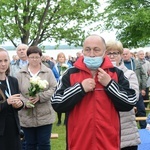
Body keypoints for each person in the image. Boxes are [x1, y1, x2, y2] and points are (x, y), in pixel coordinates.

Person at [51, 35, 137, 150]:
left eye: (96, 50)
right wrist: (80, 88)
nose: (91, 54)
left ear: (104, 52)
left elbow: (130, 102)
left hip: (108, 143)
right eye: (88, 49)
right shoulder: (70, 73)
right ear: (82, 51)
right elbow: (56, 103)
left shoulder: (116, 73)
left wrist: (110, 84)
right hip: (78, 143)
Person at [17, 46, 57, 150]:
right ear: (28, 58)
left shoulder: (48, 72)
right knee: (30, 144)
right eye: (32, 57)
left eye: (36, 57)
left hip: (45, 116)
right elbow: (17, 92)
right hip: (26, 117)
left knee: (44, 144)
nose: (34, 59)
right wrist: (26, 102)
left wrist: (40, 97)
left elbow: (53, 88)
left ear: (40, 58)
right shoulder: (20, 74)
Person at [106, 40, 140, 150]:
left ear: (121, 55)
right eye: (108, 53)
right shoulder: (100, 75)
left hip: (126, 132)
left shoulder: (129, 74)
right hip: (106, 130)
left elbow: (134, 97)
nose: (112, 56)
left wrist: (110, 83)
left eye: (115, 53)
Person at [0, 48, 24, 150]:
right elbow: (7, 102)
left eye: (6, 60)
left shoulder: (13, 81)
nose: (3, 64)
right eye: (0, 61)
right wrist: (7, 102)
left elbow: (18, 100)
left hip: (13, 127)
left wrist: (19, 104)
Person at [123, 48, 147, 129]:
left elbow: (143, 75)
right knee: (126, 112)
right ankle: (128, 129)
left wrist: (143, 88)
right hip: (124, 92)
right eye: (123, 54)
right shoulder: (119, 64)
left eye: (127, 53)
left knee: (141, 110)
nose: (125, 55)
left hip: (137, 90)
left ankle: (143, 127)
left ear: (130, 54)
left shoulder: (136, 63)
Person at [52, 52, 72, 126]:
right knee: (59, 101)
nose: (61, 59)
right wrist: (59, 79)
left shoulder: (69, 66)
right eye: (60, 57)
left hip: (66, 86)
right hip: (58, 85)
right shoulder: (55, 67)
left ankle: (65, 120)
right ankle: (59, 120)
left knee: (67, 101)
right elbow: (53, 76)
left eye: (62, 57)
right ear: (58, 58)